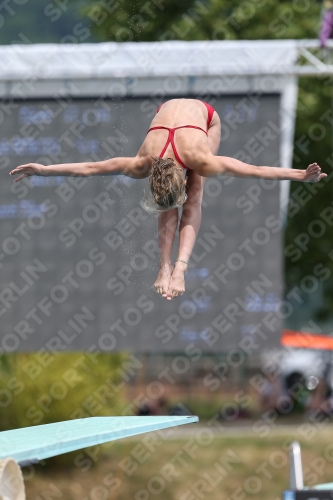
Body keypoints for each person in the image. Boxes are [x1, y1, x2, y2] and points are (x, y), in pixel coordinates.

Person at [9, 98, 327, 300]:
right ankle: (164, 267)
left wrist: (300, 175)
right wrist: (43, 169)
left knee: (195, 194)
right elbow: (91, 168)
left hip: (205, 119)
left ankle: (180, 268)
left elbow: (254, 170)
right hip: (167, 116)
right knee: (171, 202)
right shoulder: (141, 163)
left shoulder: (200, 160)